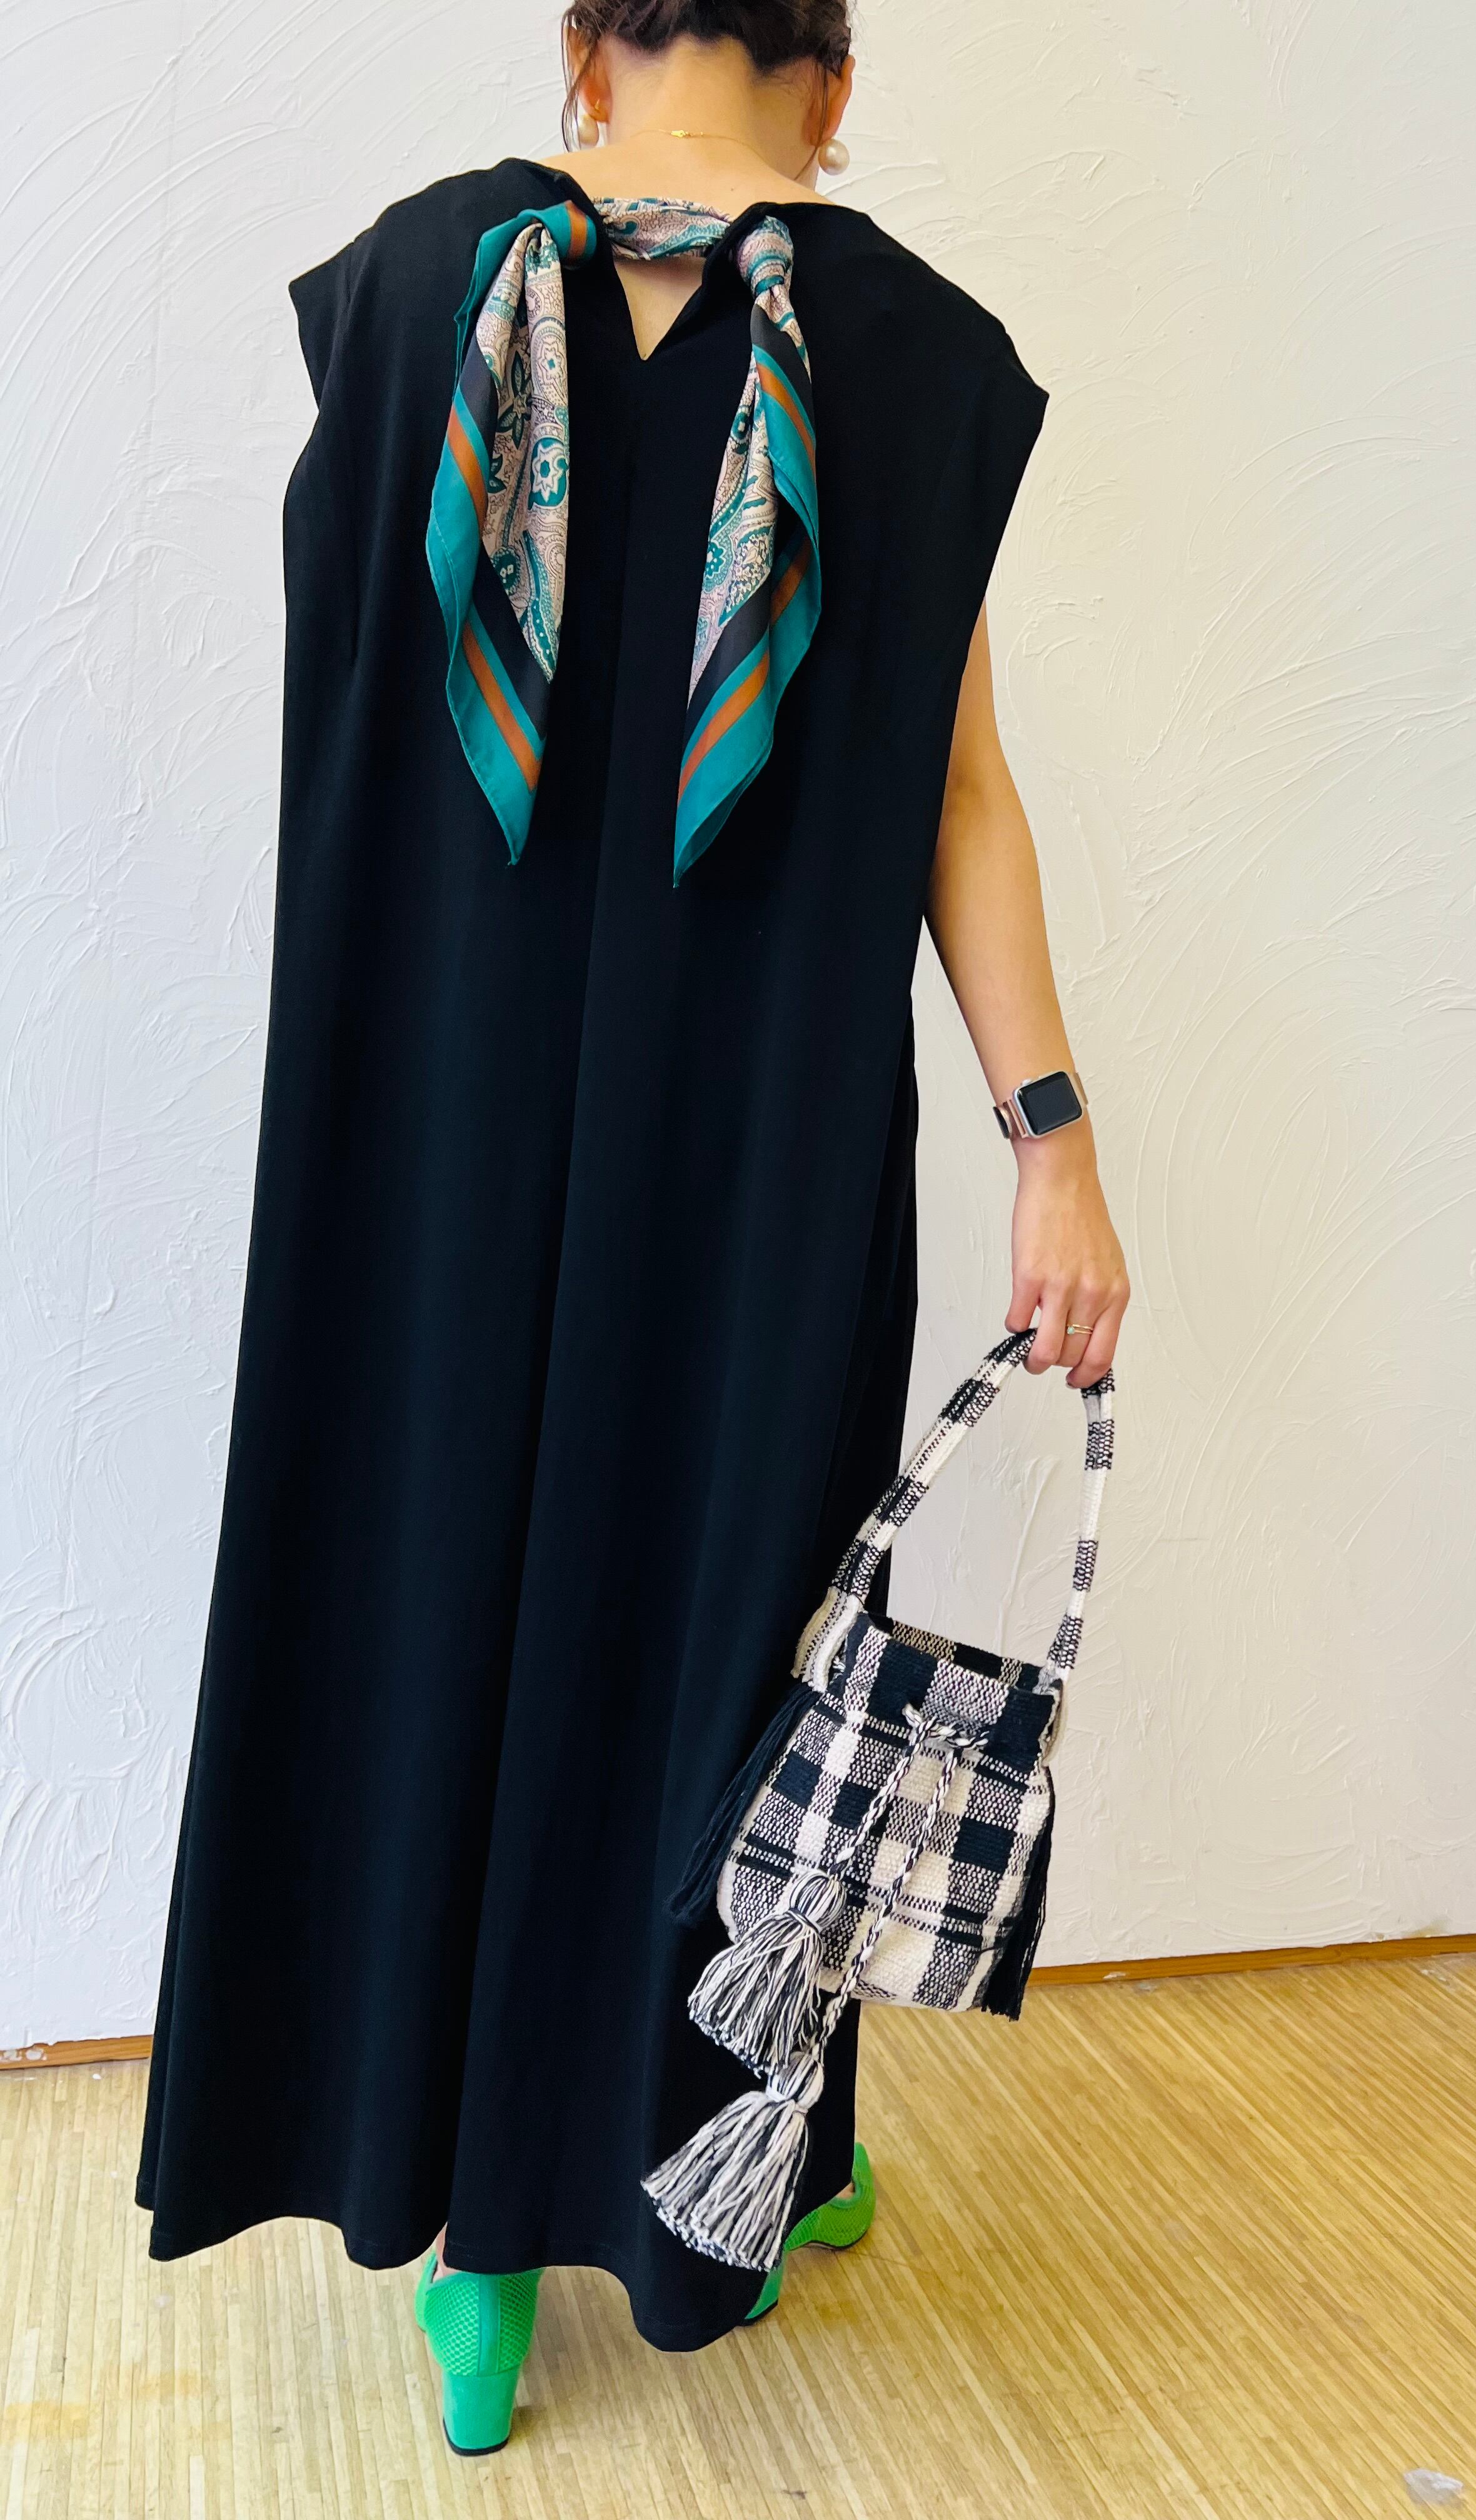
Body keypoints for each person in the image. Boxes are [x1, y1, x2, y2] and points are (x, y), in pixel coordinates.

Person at [135, 0, 1129, 2455]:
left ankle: (465, 2248)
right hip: (754, 1154)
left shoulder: (411, 296)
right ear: (839, 82)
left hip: (419, 1141)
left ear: (586, 51)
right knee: (732, 1639)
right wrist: (1053, 1138)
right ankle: (727, 2157)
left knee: (421, 1588)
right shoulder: (916, 365)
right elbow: (959, 795)